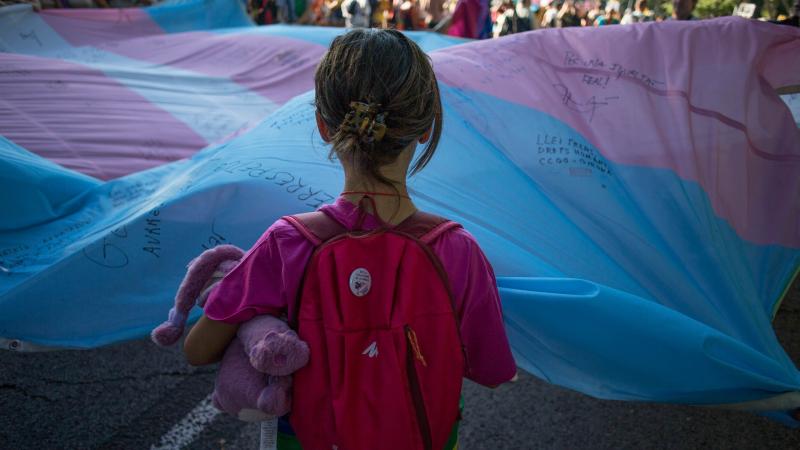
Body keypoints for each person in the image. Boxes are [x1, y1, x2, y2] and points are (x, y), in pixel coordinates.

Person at [183, 29, 516, 449]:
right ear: (427, 128)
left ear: (324, 126)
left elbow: (198, 349)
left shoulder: (287, 242)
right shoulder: (457, 250)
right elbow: (493, 369)